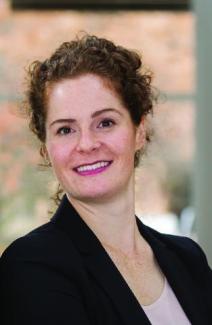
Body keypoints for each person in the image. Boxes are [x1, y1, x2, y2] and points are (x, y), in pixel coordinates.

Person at [0, 34, 211, 325]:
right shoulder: (32, 266)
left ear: (139, 131)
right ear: (46, 148)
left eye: (105, 123)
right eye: (65, 129)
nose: (86, 144)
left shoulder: (188, 260)